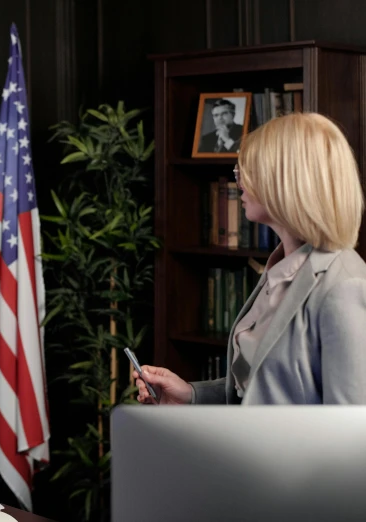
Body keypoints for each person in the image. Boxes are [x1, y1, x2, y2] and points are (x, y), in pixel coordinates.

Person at [138, 112, 366, 406]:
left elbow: (352, 436)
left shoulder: (345, 288)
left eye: (246, 171)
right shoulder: (281, 268)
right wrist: (191, 394)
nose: (238, 183)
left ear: (285, 181)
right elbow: (262, 385)